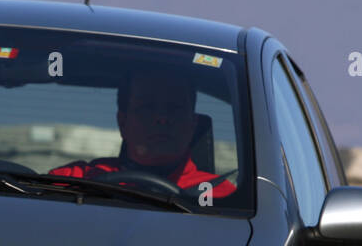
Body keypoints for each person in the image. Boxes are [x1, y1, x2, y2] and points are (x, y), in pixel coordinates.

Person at [49, 68, 236, 197]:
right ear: (122, 123)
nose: (161, 118)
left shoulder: (225, 196)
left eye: (174, 108)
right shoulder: (77, 180)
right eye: (147, 107)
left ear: (193, 124)